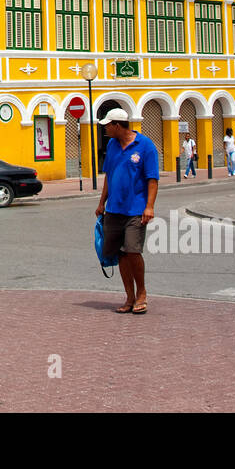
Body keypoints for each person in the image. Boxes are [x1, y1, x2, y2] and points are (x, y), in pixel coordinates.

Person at [94, 107, 159, 315]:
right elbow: (109, 176)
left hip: (135, 210)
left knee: (132, 250)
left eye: (107, 125)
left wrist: (149, 206)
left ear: (117, 125)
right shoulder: (112, 145)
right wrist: (102, 202)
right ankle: (129, 296)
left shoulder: (146, 146)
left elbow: (152, 179)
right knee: (120, 254)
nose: (105, 129)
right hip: (114, 209)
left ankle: (142, 292)